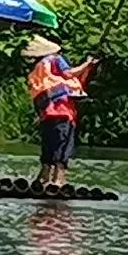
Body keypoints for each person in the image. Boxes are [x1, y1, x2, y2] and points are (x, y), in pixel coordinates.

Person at [26, 38, 91, 192]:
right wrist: (86, 64)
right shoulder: (56, 59)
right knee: (62, 146)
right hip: (63, 112)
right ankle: (58, 180)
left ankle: (44, 176)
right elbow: (69, 73)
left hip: (47, 113)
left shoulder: (38, 67)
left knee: (49, 145)